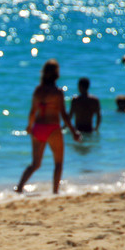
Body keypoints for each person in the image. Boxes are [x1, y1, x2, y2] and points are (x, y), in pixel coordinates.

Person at [15, 59, 81, 195]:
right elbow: (64, 114)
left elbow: (32, 111)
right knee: (58, 163)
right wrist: (74, 131)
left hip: (38, 128)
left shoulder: (38, 91)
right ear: (57, 74)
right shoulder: (58, 92)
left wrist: (29, 126)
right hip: (52, 128)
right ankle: (55, 192)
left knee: (35, 164)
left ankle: (19, 188)